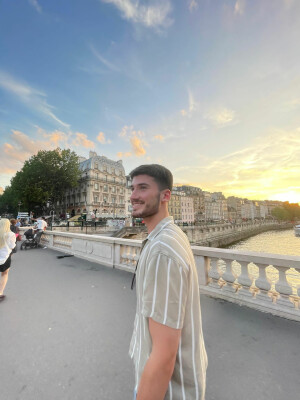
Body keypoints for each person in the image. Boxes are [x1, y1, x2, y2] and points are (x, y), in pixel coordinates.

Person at [129, 164, 207, 400]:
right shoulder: (170, 235)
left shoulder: (163, 250)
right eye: (132, 188)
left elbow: (163, 356)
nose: (133, 196)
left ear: (166, 196)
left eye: (143, 188)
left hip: (168, 391)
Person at [0, 218, 16, 301]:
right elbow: (12, 246)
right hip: (5, 257)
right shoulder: (11, 234)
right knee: (4, 274)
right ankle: (0, 293)